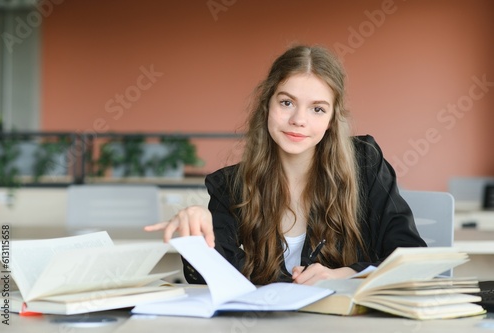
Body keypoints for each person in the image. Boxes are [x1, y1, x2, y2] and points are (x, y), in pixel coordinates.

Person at [145, 45, 426, 286]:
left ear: (331, 120)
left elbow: (411, 255)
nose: (298, 120)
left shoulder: (365, 164)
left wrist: (346, 275)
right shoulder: (230, 186)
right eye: (287, 102)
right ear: (267, 105)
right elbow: (212, 278)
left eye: (317, 108)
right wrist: (198, 237)